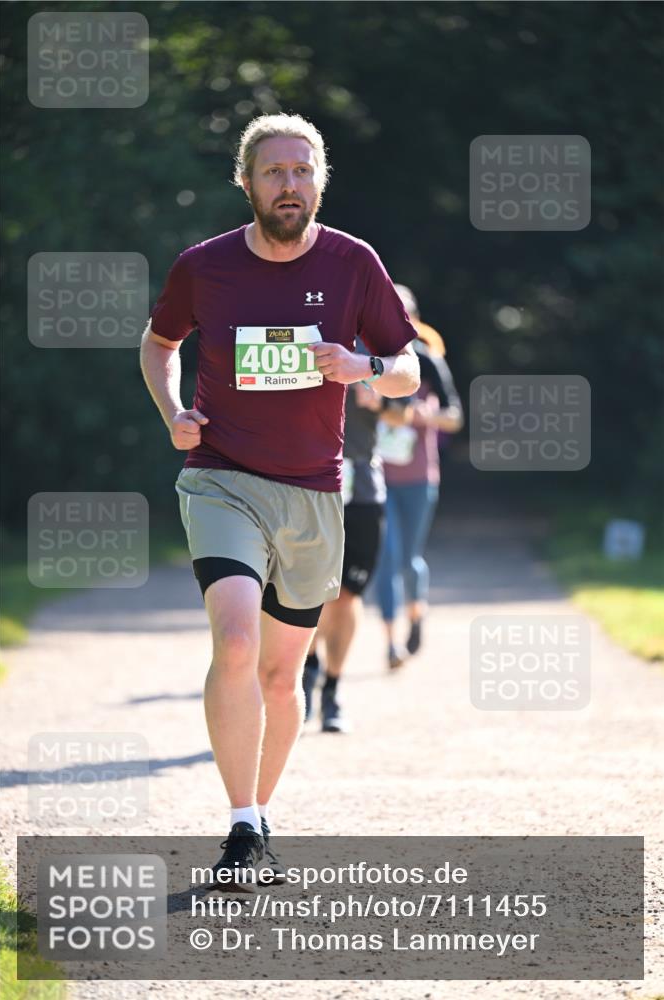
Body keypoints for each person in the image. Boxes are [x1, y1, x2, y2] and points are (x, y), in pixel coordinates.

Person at [140, 114, 420, 885]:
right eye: (273, 172)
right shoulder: (205, 266)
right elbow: (159, 341)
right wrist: (174, 415)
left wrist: (359, 365)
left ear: (319, 182)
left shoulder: (352, 263)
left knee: (280, 675)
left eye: (301, 171)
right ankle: (236, 826)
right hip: (221, 476)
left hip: (314, 492)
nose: (288, 184)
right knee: (234, 640)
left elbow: (408, 369)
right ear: (247, 182)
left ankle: (257, 818)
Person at [302, 360, 411, 733]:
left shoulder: (373, 346)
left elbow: (403, 413)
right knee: (306, 592)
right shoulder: (300, 327)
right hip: (309, 481)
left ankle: (332, 689)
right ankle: (306, 671)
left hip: (362, 484)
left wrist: (379, 402)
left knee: (348, 594)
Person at [374, 284, 463, 670]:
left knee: (410, 559)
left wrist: (422, 416)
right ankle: (391, 642)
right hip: (377, 477)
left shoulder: (427, 361)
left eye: (405, 315)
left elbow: (455, 416)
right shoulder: (368, 360)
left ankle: (416, 613)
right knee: (386, 557)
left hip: (420, 477)